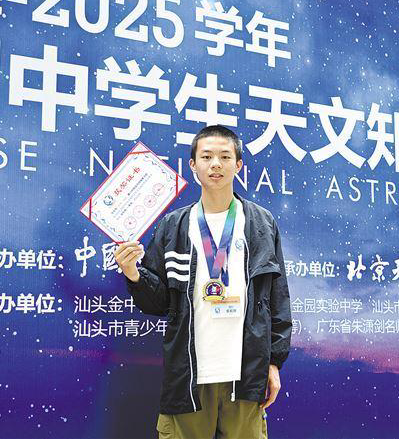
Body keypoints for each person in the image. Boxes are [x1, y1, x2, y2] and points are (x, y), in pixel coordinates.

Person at [114, 125, 292, 439]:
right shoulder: (173, 225)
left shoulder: (262, 223)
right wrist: (133, 273)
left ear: (238, 165)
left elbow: (277, 298)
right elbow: (158, 303)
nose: (215, 164)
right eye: (207, 157)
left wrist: (274, 362)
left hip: (245, 376)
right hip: (188, 377)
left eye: (225, 156)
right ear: (193, 165)